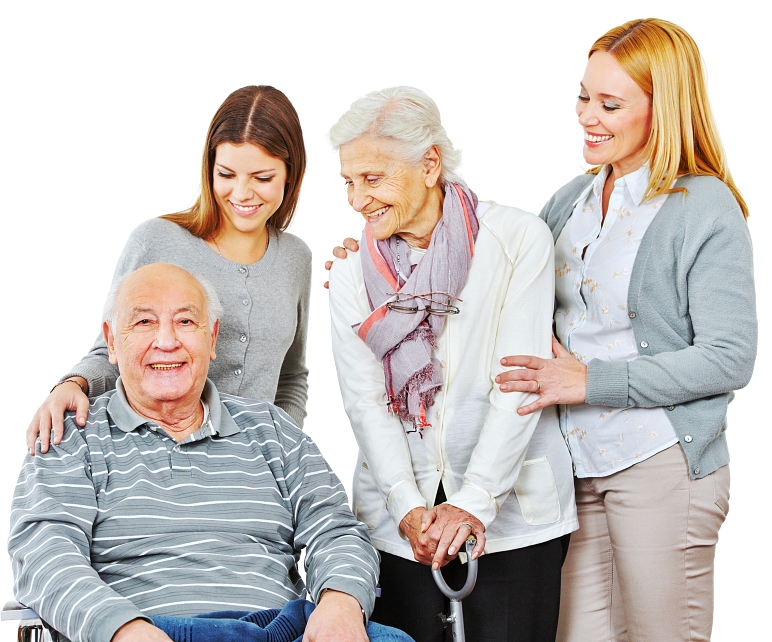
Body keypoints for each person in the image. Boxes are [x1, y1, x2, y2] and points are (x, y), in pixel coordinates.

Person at [327, 18, 755, 642]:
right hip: (576, 470)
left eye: (611, 104)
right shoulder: (571, 203)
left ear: (663, 111)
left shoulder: (704, 206)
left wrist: (592, 381)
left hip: (658, 461)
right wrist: (375, 265)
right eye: (585, 97)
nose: (589, 116)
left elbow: (729, 359)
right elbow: (481, 275)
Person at [9, 263, 414, 642]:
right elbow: (45, 555)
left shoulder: (272, 430)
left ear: (212, 337)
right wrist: (122, 630)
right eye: (144, 321)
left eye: (185, 321)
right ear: (112, 341)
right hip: (146, 628)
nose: (166, 342)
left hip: (281, 627)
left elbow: (335, 531)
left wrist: (341, 603)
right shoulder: (70, 435)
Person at [325, 86, 578, 642]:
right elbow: (365, 404)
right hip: (396, 525)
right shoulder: (347, 274)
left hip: (515, 523)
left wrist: (473, 502)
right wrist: (408, 506)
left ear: (430, 164)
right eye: (349, 181)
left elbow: (518, 383)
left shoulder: (516, 238)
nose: (358, 200)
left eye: (373, 179)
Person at [27, 85, 312, 456]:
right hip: (155, 458)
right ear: (208, 167)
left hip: (254, 471)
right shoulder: (155, 240)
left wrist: (280, 448)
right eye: (226, 174)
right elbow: (114, 346)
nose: (241, 193)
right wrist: (73, 384)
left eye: (262, 178)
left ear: (290, 174)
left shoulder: (296, 257)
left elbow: (292, 377)